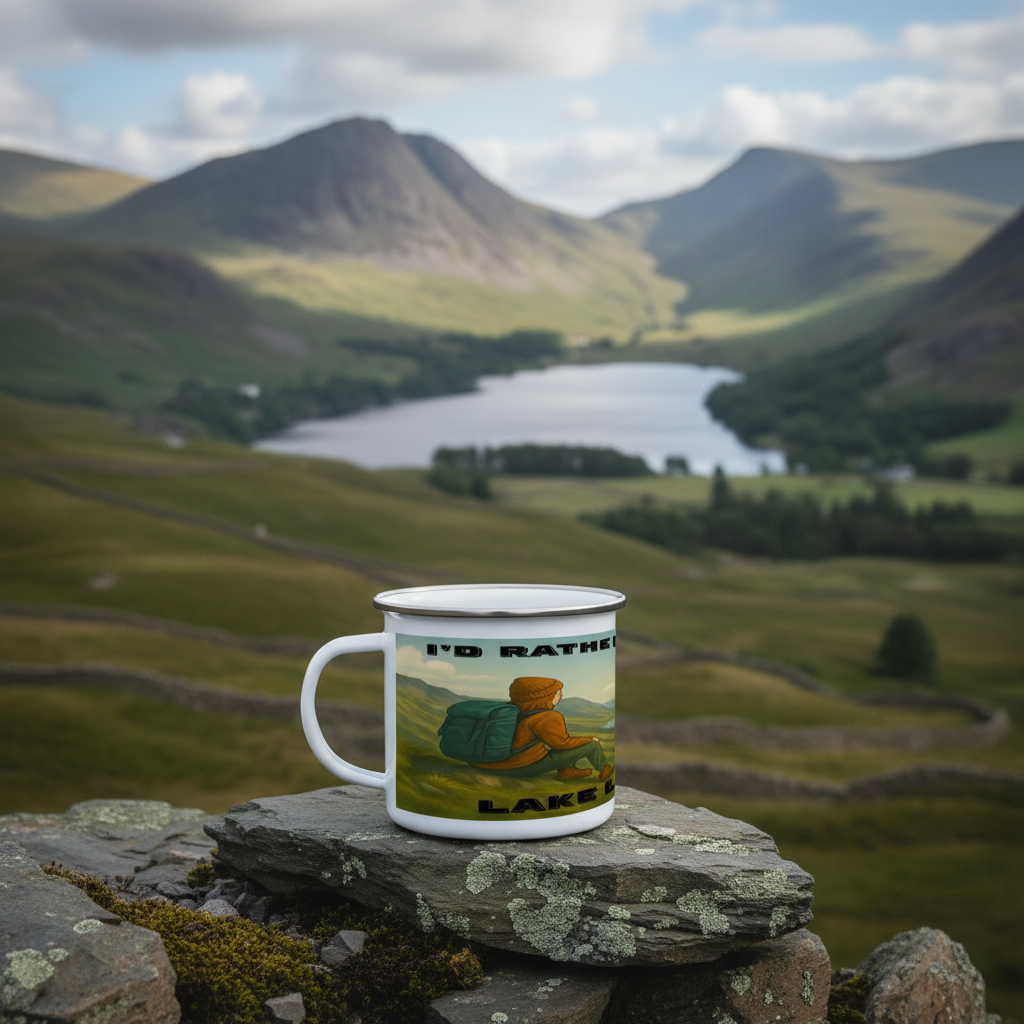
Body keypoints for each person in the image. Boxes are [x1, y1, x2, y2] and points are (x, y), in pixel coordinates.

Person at [474, 676, 612, 783]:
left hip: (487, 764)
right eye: (557, 693)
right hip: (521, 766)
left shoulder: (508, 710)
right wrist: (590, 739)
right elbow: (562, 744)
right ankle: (605, 770)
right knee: (591, 745)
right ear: (543, 697)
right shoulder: (547, 717)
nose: (560, 696)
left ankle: (568, 772)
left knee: (558, 746)